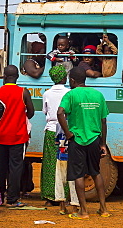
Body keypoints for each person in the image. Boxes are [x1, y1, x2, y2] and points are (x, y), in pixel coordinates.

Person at [57, 67, 110, 219]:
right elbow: (104, 121)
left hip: (77, 139)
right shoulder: (97, 94)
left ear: (72, 80)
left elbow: (60, 112)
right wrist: (103, 143)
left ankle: (84, 211)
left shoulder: (71, 94)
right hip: (94, 139)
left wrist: (68, 133)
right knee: (96, 172)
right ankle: (103, 208)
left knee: (78, 174)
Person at [0, 65, 35, 207]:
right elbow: (31, 112)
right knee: (15, 168)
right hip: (18, 136)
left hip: (2, 136)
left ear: (4, 76)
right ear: (17, 76)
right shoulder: (23, 92)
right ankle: (12, 199)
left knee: (1, 168)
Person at [40, 65, 78, 213]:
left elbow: (45, 111)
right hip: (66, 131)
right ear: (64, 78)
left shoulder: (47, 93)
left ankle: (51, 196)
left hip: (51, 131)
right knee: (67, 164)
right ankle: (68, 195)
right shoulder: (69, 93)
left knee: (50, 164)